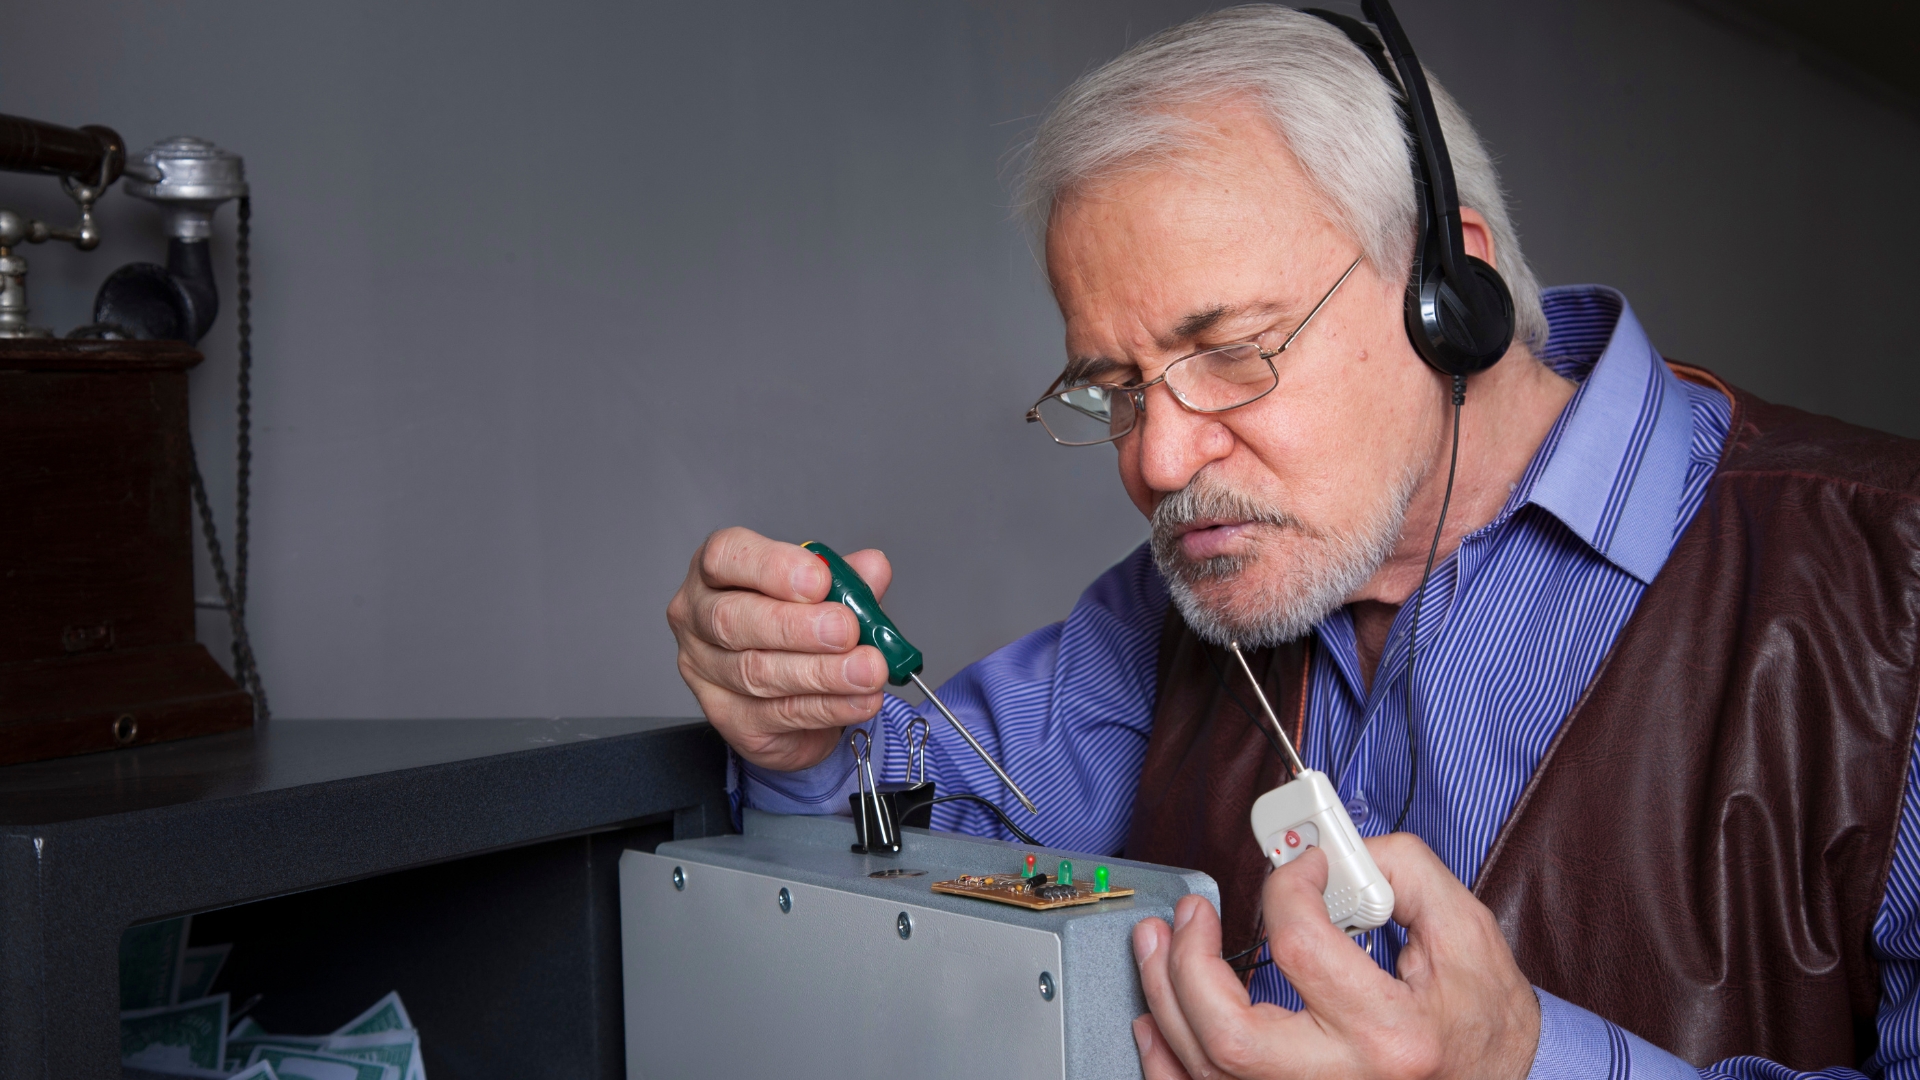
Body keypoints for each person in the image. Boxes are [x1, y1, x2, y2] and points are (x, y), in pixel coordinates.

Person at [665, 6, 1920, 1078]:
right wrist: (804, 746)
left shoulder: (1894, 593)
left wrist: (1525, 1065)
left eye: (1231, 351)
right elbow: (896, 847)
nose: (1156, 461)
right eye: (1115, 387)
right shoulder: (1156, 627)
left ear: (1451, 300)